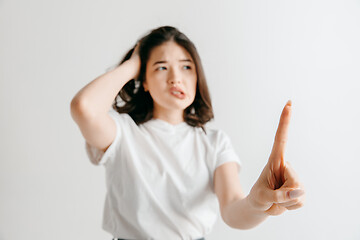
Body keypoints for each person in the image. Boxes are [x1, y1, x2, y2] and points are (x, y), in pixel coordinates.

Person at [70, 26, 305, 240]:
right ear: (144, 81)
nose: (176, 78)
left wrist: (257, 201)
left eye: (186, 67)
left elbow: (233, 211)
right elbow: (84, 107)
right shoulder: (122, 133)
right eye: (161, 67)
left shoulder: (213, 143)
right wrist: (133, 63)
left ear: (197, 76)